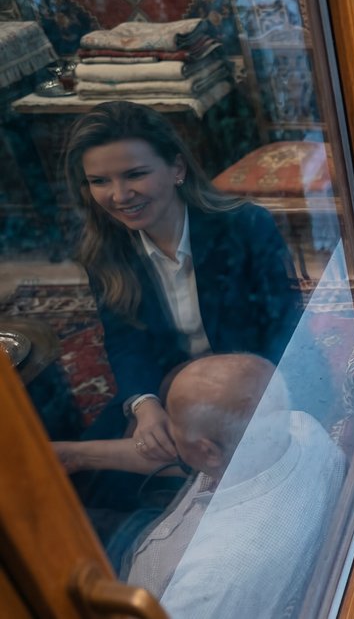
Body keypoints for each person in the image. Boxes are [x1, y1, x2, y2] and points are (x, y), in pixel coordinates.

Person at [62, 101, 302, 459]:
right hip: (169, 387)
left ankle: (79, 455)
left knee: (221, 457)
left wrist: (235, 406)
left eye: (135, 174)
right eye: (100, 181)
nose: (119, 195)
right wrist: (145, 406)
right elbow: (124, 340)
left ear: (177, 168)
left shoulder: (246, 227)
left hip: (252, 384)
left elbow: (283, 329)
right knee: (95, 490)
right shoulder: (105, 250)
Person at [55, 353, 346, 617]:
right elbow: (184, 459)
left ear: (208, 451)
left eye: (172, 424)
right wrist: (75, 455)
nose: (163, 428)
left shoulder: (211, 583)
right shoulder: (295, 426)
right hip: (159, 537)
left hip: (127, 590)